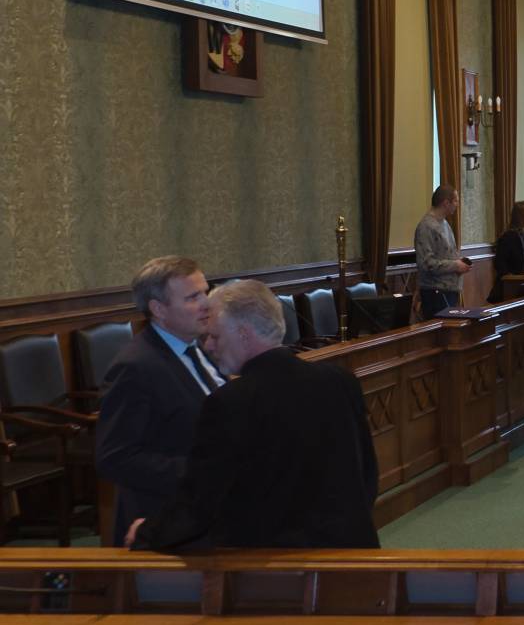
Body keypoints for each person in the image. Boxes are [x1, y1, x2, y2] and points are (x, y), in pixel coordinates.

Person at [125, 279, 378, 551]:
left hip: (280, 565)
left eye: (214, 336)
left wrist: (146, 533)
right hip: (353, 552)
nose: (208, 346)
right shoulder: (340, 380)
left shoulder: (230, 402)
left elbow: (200, 504)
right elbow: (368, 474)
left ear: (243, 334)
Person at [96, 256, 224, 545]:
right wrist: (201, 470)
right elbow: (114, 457)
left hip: (206, 513)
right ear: (158, 309)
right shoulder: (135, 367)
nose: (206, 304)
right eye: (192, 297)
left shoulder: (199, 347)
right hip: (164, 520)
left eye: (206, 292)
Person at [415, 185, 469, 317]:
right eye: (455, 201)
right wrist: (456, 265)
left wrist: (460, 263)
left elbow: (445, 254)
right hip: (436, 293)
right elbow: (426, 264)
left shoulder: (444, 223)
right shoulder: (426, 227)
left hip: (448, 291)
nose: (457, 205)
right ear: (446, 203)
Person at [489, 200, 524, 303]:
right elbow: (499, 264)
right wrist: (513, 277)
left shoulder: (523, 235)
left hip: (523, 286)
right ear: (522, 216)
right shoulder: (509, 237)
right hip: (509, 290)